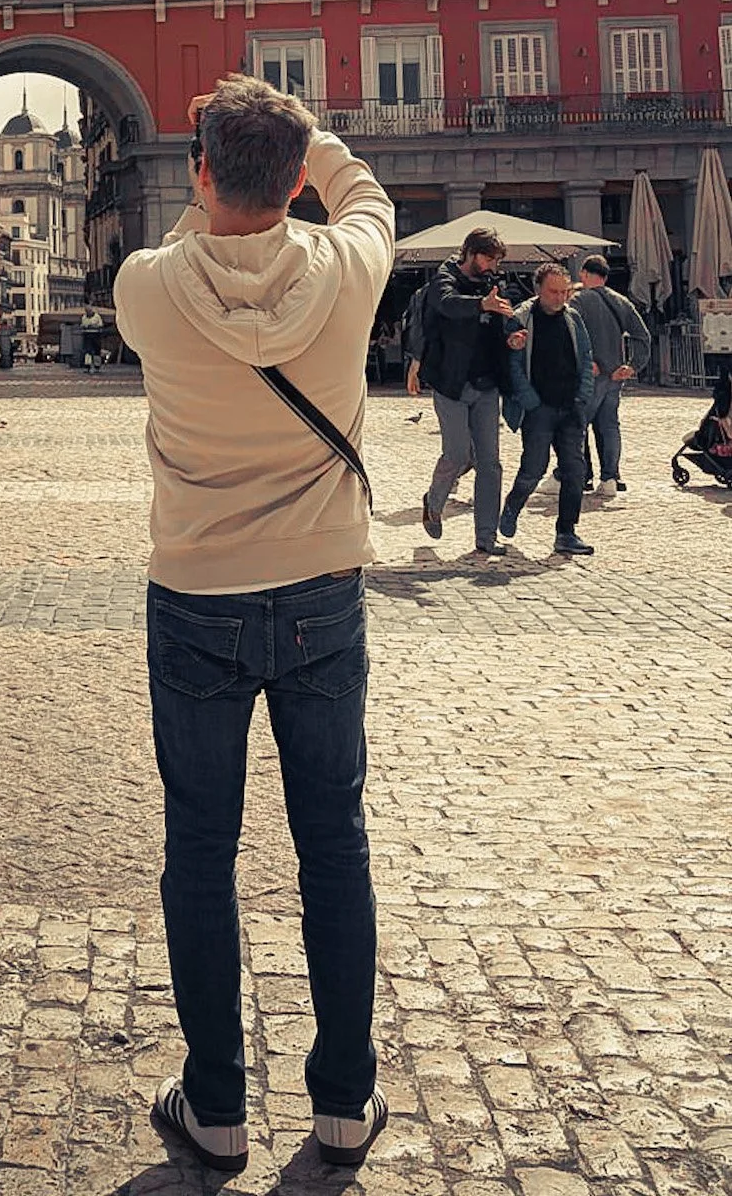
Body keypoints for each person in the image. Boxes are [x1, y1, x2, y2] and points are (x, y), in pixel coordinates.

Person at [113, 74, 393, 1177]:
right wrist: (300, 137)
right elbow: (360, 189)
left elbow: (198, 239)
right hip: (322, 589)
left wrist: (224, 171)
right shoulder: (350, 266)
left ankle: (217, 1103)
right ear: (294, 178)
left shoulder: (147, 288)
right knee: (334, 843)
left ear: (197, 171)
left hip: (194, 596)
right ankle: (342, 1101)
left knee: (200, 850)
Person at [418, 228, 520, 555]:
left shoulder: (494, 284)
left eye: (496, 259)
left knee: (490, 462)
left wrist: (513, 336)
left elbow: (504, 322)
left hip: (486, 383)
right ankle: (433, 502)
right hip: (451, 382)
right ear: (471, 253)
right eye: (488, 257)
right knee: (458, 453)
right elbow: (447, 305)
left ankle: (486, 538)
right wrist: (482, 305)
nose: (493, 265)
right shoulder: (444, 278)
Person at [501, 263, 597, 556]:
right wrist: (530, 401)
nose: (559, 298)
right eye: (553, 292)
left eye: (564, 291)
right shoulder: (522, 319)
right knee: (533, 468)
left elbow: (585, 357)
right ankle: (512, 507)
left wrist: (583, 396)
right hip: (539, 408)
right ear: (538, 290)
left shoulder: (573, 318)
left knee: (574, 471)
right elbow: (513, 366)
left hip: (570, 407)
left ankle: (566, 532)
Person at [575, 256, 651, 497]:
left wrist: (586, 362)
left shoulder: (578, 300)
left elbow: (571, 335)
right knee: (609, 426)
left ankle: (576, 475)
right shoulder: (622, 301)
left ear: (584, 274)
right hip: (616, 376)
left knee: (577, 425)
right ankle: (610, 477)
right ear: (605, 276)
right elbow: (643, 336)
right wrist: (632, 366)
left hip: (590, 375)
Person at [79, 304, 106, 373]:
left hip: (96, 335)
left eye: (89, 311)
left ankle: (97, 367)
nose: (88, 313)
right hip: (87, 336)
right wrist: (85, 326)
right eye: (87, 311)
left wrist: (94, 326)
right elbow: (82, 325)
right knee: (87, 351)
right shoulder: (84, 317)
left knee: (97, 351)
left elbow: (101, 325)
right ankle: (87, 366)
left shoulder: (97, 317)